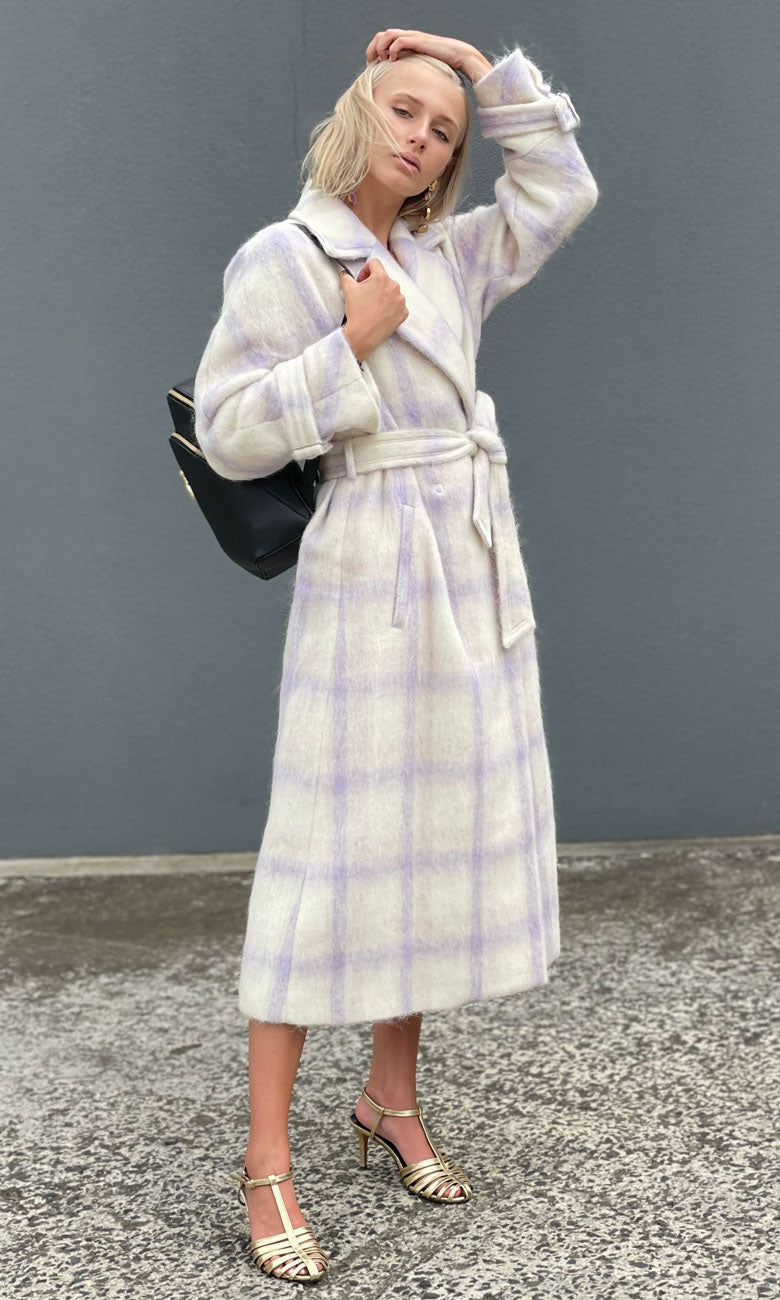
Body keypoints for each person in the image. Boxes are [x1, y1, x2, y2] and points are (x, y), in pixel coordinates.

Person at [194, 25, 599, 1284]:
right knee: (324, 862)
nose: (423, 135)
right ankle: (268, 1161)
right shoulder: (285, 255)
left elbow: (561, 192)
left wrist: (480, 65)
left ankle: (390, 1099)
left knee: (423, 847)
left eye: (445, 126)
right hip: (370, 567)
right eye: (407, 107)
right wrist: (349, 342)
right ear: (360, 112)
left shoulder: (448, 253)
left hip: (466, 566)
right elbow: (228, 429)